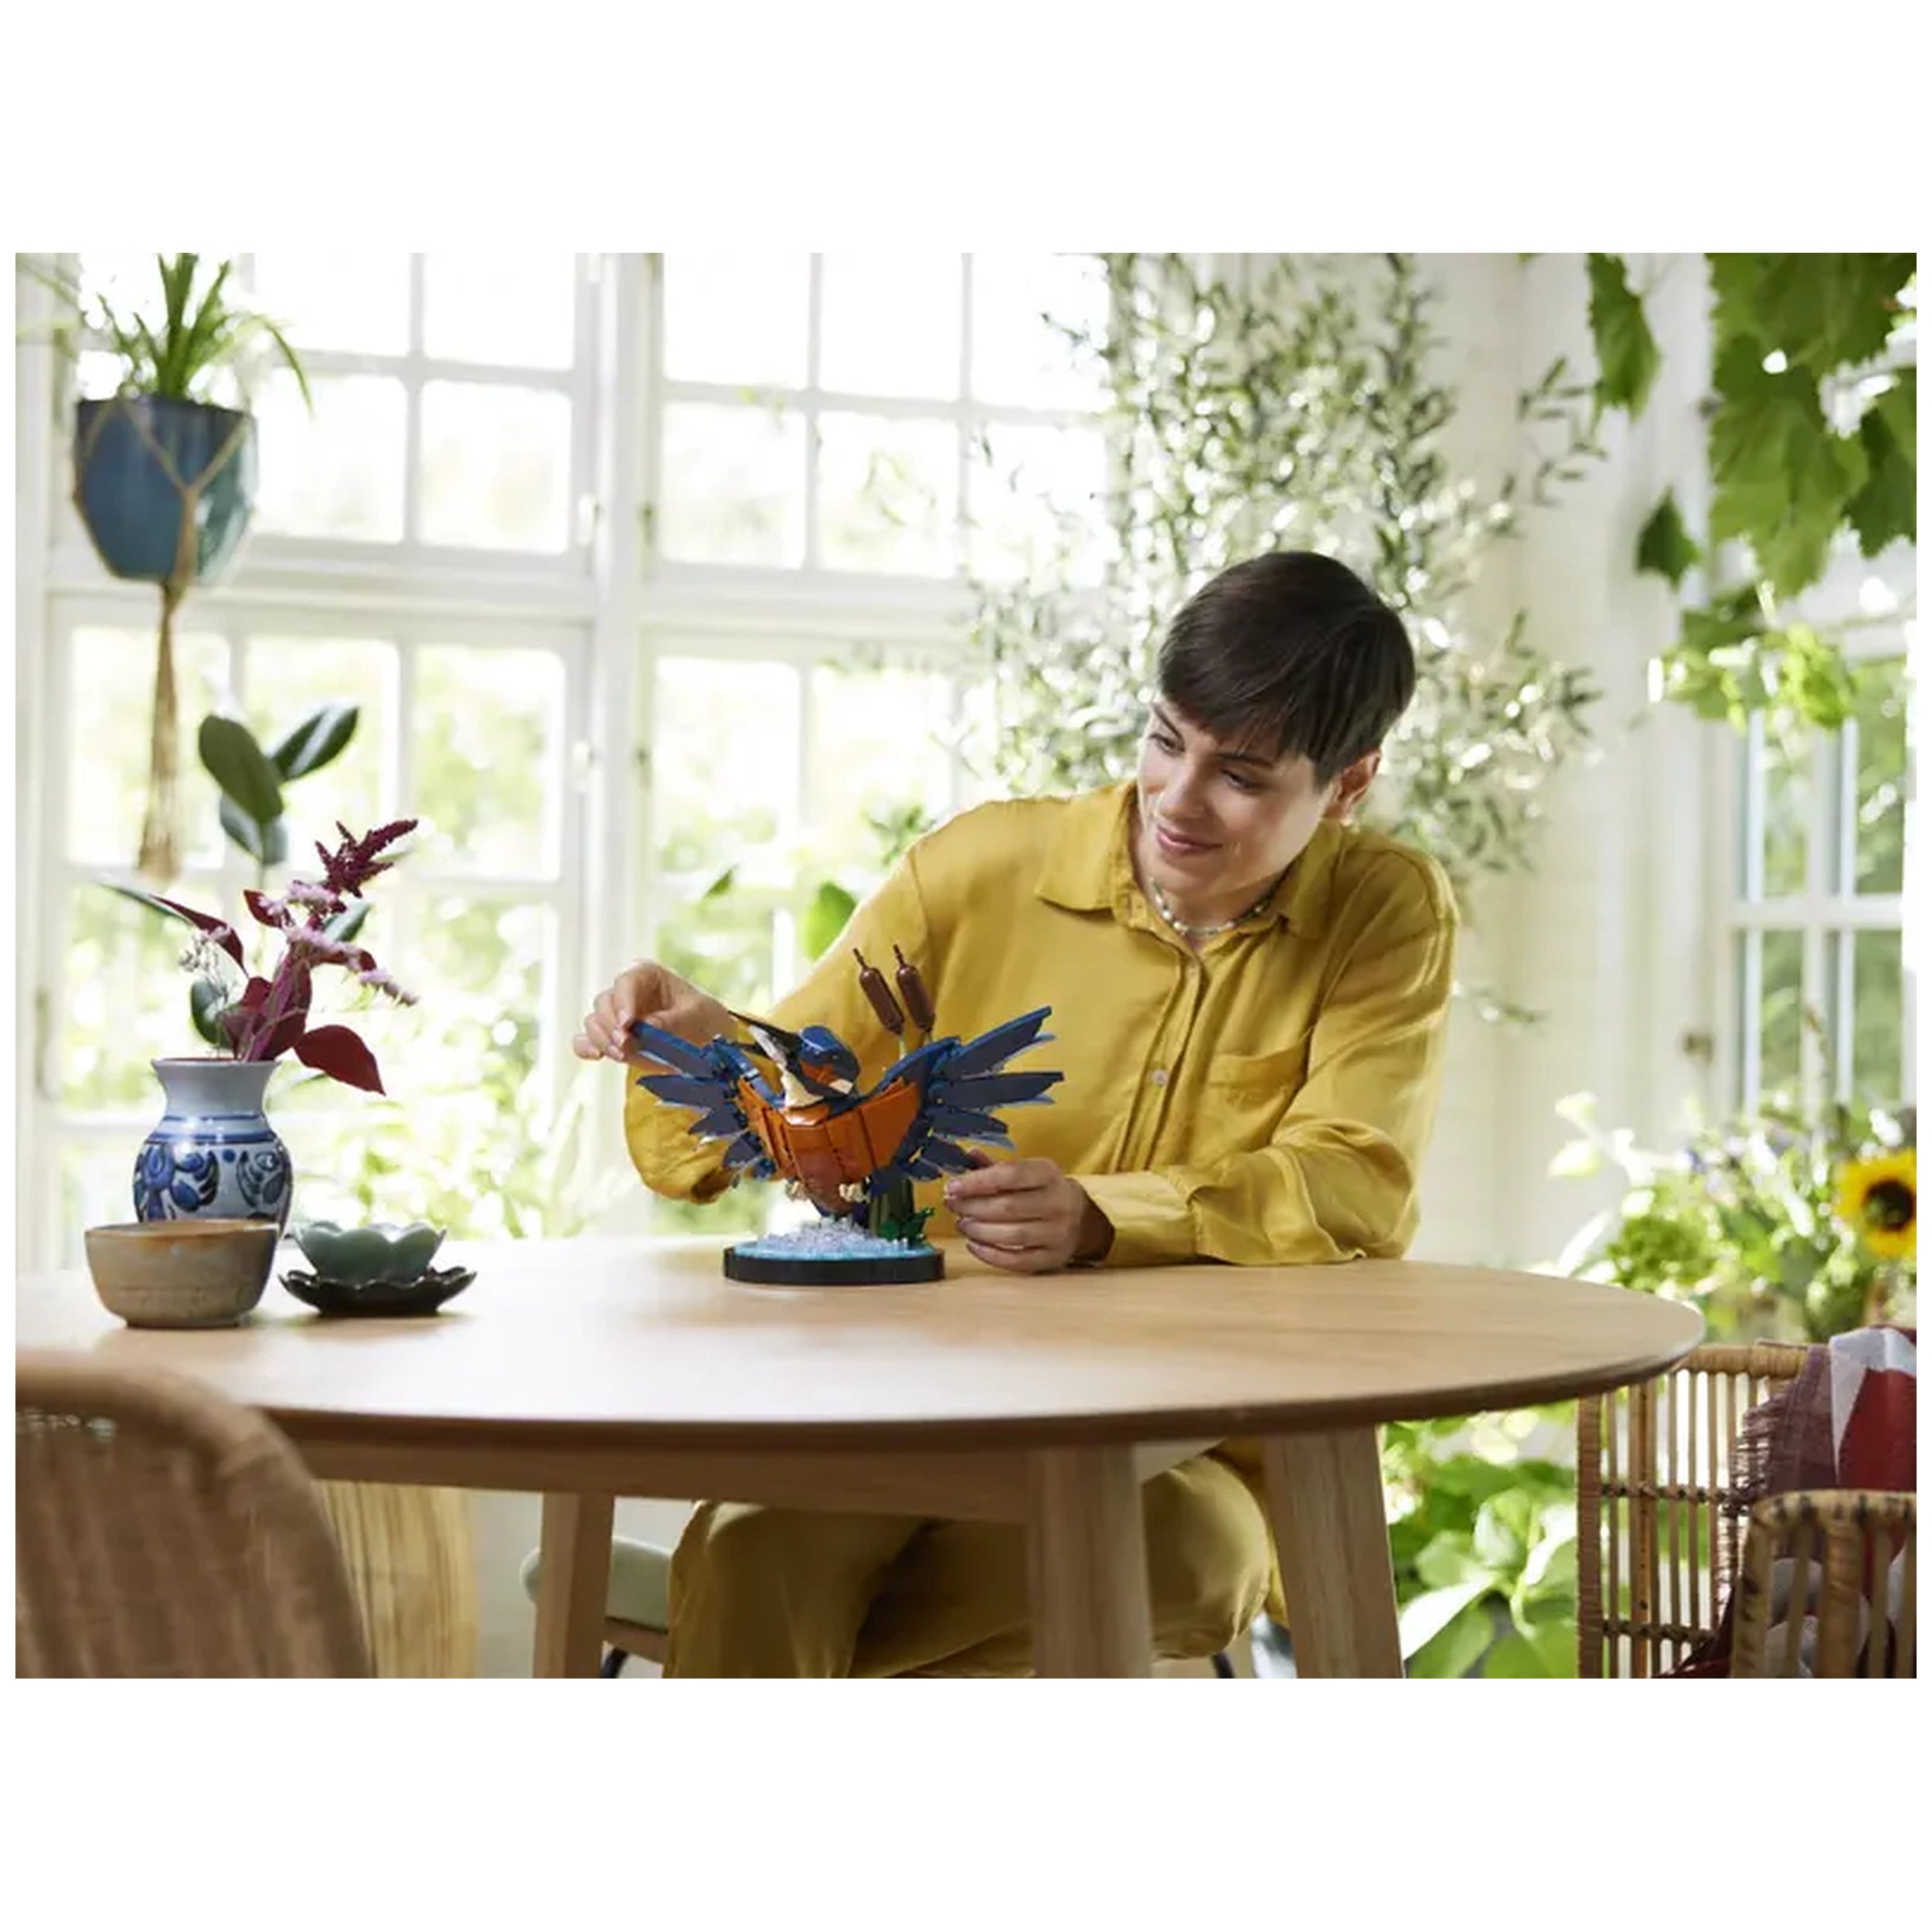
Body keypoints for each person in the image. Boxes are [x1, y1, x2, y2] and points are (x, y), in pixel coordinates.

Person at [574, 549, 1458, 1675]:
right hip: (918, 1410)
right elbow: (816, 1089)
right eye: (1164, 740)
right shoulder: (981, 865)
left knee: (1184, 1561)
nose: (1178, 800)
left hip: (1194, 1449)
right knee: (755, 1555)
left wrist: (1105, 1216)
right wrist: (701, 1040)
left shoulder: (1384, 913)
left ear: (1347, 785)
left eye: (1240, 776)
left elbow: (1356, 1182)